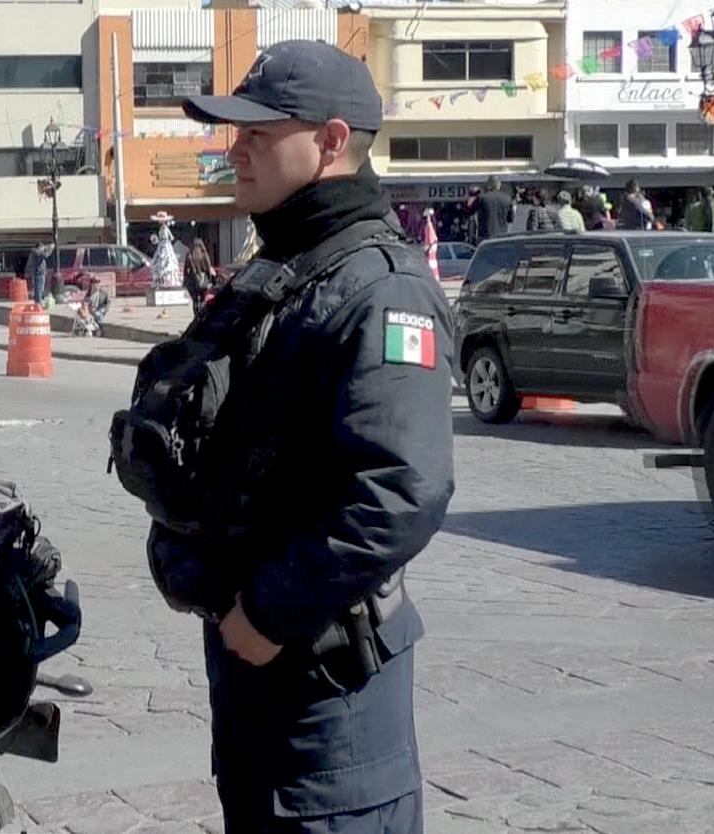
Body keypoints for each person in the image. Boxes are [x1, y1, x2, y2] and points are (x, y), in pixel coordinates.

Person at [175, 39, 453, 833]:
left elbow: (401, 491)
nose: (236, 150)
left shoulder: (383, 291)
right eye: (236, 133)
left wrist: (266, 613)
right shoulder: (284, 271)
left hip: (330, 701)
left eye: (258, 134)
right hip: (261, 693)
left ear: (331, 142)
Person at [470, 175, 515, 242]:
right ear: (499, 185)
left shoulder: (482, 198)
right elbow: (510, 219)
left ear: (489, 185)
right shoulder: (507, 199)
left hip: (485, 237)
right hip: (502, 236)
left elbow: (471, 211)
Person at [183, 239, 215, 316]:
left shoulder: (189, 255)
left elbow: (185, 270)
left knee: (195, 300)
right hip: (203, 280)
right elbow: (208, 268)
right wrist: (210, 280)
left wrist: (186, 280)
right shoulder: (204, 255)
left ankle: (196, 314)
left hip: (192, 282)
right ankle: (202, 314)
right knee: (203, 298)